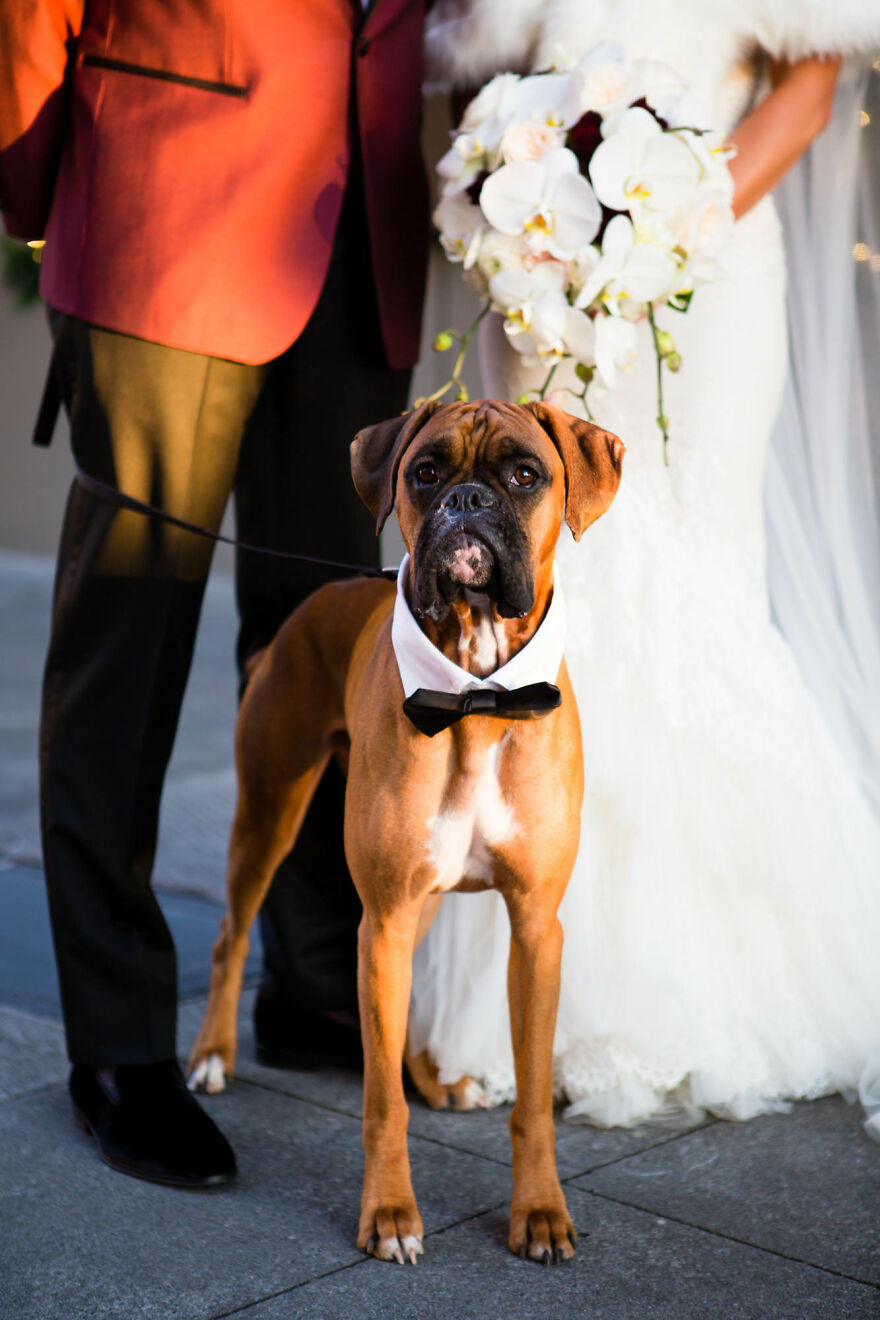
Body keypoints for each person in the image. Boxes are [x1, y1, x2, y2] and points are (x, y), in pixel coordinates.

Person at [409, 0, 880, 1127]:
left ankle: (721, 982)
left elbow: (806, 94)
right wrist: (529, 227)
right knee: (561, 598)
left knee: (695, 579)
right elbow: (482, 81)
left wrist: (657, 234)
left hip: (705, 283)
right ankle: (529, 989)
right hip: (542, 294)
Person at [0, 0, 429, 1185]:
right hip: (166, 200)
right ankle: (119, 1040)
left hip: (362, 236)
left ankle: (310, 975)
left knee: (334, 642)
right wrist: (39, 197)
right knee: (127, 647)